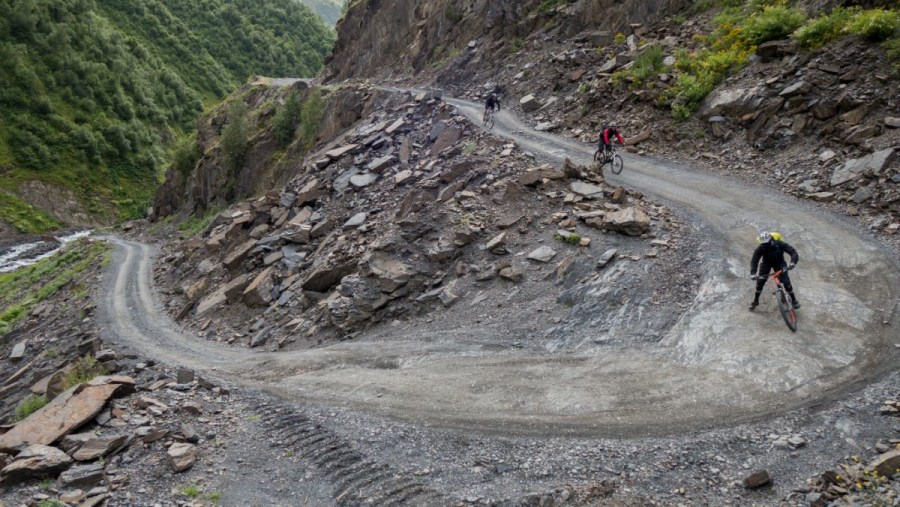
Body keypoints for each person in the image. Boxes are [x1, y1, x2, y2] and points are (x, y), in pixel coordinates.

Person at [749, 231, 800, 311]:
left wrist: (793, 262)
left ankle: (794, 300)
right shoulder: (761, 248)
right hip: (766, 263)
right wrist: (753, 273)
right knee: (760, 282)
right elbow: (754, 260)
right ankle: (755, 301)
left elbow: (792, 251)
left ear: (770, 240)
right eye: (763, 244)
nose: (764, 245)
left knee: (786, 281)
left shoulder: (779, 243)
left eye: (766, 243)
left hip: (779, 262)